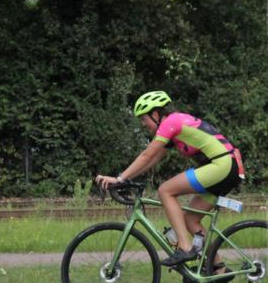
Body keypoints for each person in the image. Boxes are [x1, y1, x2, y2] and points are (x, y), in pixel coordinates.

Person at [95, 91, 244, 268]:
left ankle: (185, 246)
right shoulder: (174, 125)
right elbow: (153, 158)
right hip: (229, 167)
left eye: (144, 119)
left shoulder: (171, 122)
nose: (143, 124)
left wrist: (119, 178)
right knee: (190, 220)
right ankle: (218, 269)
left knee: (165, 190)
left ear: (156, 114)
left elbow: (147, 154)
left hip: (222, 164)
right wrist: (123, 179)